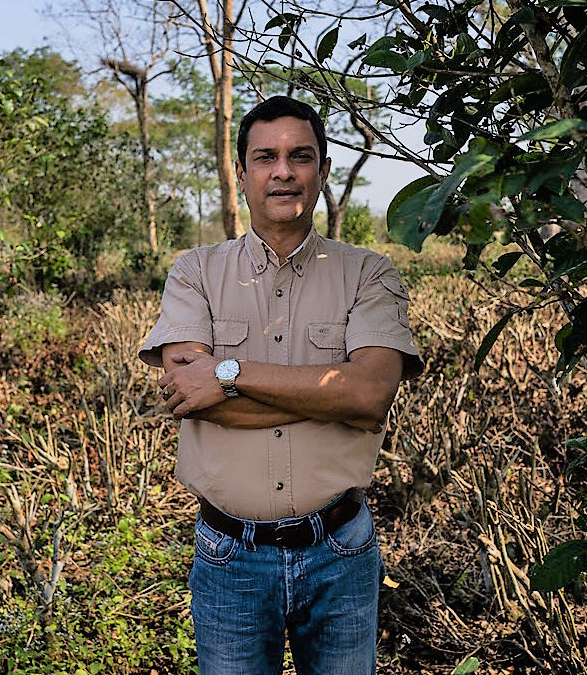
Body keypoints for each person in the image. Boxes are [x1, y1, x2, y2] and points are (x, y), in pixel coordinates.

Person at [137, 95, 424, 674]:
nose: (283, 171)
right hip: (229, 557)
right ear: (240, 172)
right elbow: (191, 397)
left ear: (322, 171)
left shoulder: (369, 272)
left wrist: (231, 374)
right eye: (265, 157)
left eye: (301, 156)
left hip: (341, 551)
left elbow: (369, 395)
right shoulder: (195, 272)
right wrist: (330, 398)